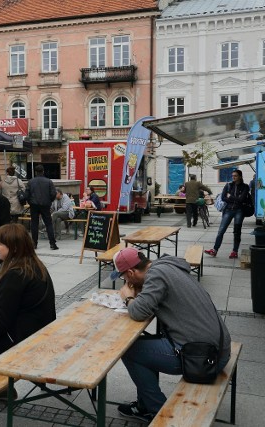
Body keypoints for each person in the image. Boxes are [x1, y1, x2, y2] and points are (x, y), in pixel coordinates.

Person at [113, 247, 231, 422]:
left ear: (130, 272)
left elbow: (138, 312)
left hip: (203, 358)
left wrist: (128, 297)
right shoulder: (166, 266)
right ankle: (144, 403)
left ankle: (156, 410)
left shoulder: (155, 276)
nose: (124, 281)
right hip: (219, 346)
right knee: (143, 347)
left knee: (129, 351)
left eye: (123, 277)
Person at [0, 223, 56, 366]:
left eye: (0, 243)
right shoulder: (33, 265)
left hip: (24, 343)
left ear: (14, 247)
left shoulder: (16, 275)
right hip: (39, 333)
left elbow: (0, 326)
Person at [205, 169, 250, 259]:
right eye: (232, 175)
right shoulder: (228, 185)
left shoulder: (245, 187)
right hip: (228, 210)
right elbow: (223, 197)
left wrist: (231, 197)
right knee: (221, 231)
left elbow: (242, 199)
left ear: (240, 176)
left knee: (237, 232)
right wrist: (235, 199)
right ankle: (214, 250)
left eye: (235, 176)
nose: (233, 177)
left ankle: (235, 251)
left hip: (239, 211)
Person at [24, 165, 58, 250]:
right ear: (43, 171)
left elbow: (26, 194)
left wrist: (30, 201)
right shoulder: (49, 181)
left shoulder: (30, 182)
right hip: (45, 204)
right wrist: (49, 201)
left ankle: (34, 243)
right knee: (48, 223)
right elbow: (53, 193)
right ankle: (52, 243)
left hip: (34, 205)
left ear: (35, 172)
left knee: (34, 224)